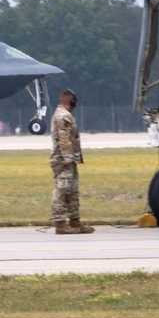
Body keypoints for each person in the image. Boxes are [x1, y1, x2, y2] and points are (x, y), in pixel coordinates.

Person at [50, 89, 93, 234]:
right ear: (67, 99)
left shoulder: (65, 115)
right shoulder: (63, 116)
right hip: (63, 160)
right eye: (73, 99)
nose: (75, 102)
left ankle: (75, 222)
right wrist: (68, 158)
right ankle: (60, 223)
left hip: (69, 159)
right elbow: (64, 139)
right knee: (62, 190)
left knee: (72, 191)